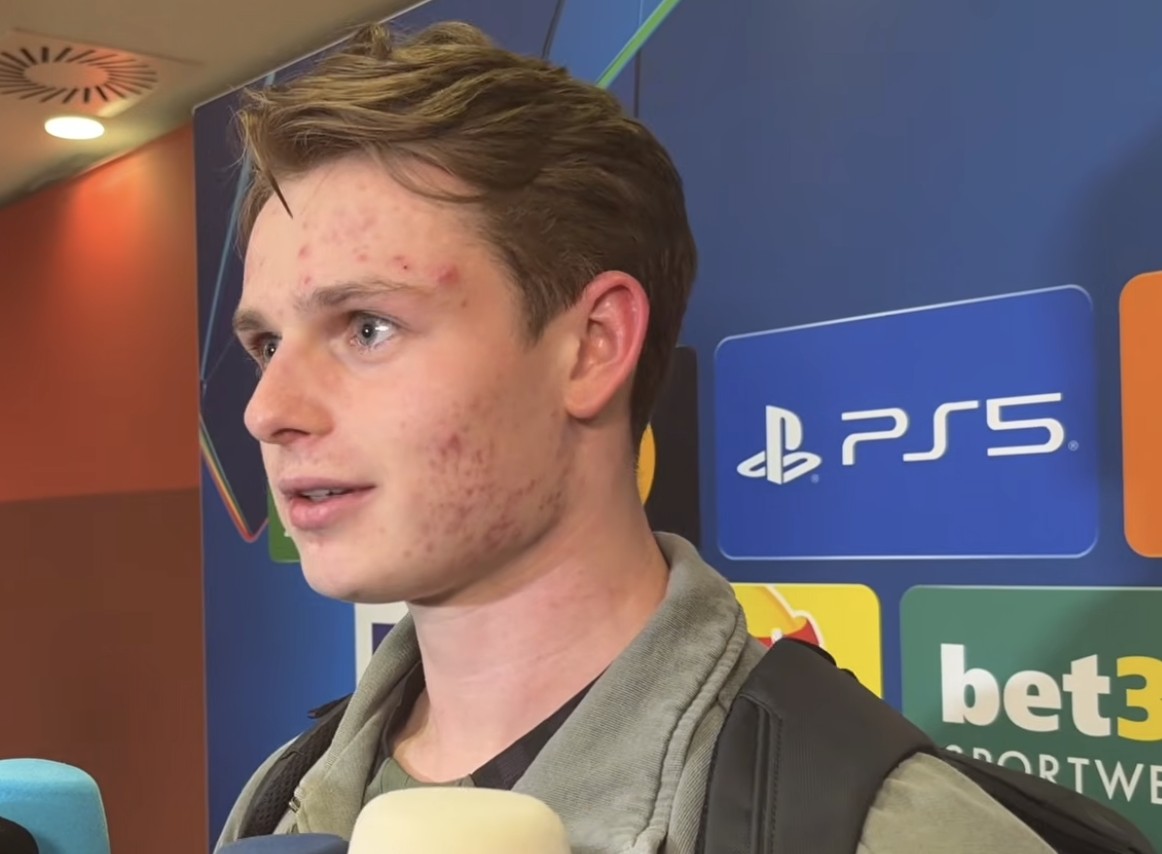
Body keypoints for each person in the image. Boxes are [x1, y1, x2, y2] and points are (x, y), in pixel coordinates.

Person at [216, 19, 1052, 853]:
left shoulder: (891, 835)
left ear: (594, 345)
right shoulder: (280, 800)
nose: (267, 410)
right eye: (266, 345)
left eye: (367, 328)